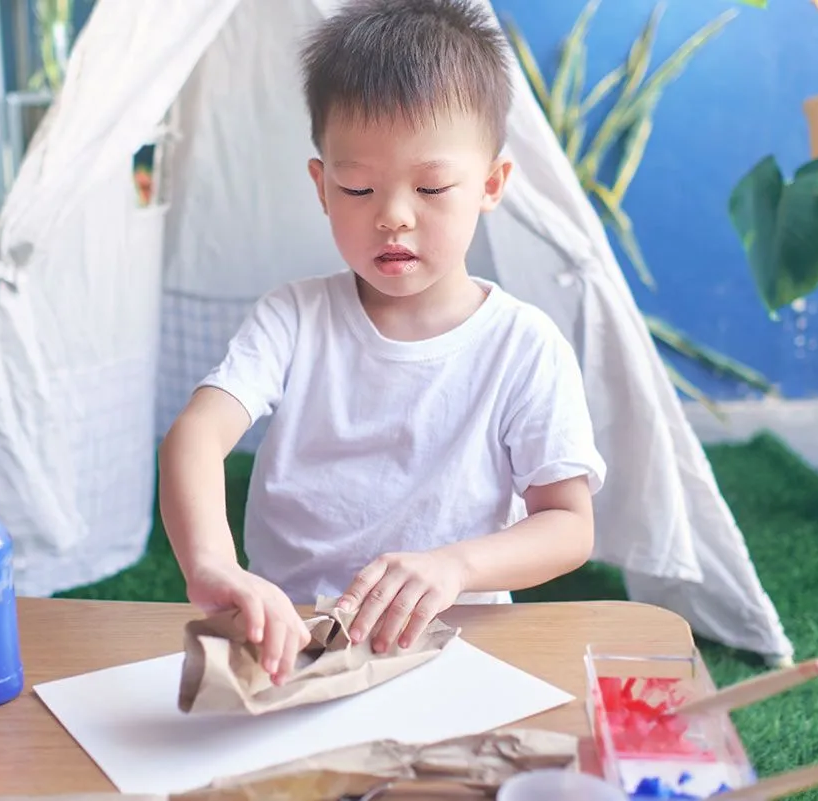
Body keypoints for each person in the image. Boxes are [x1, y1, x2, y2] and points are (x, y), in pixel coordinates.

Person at [158, 0, 607, 687]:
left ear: (490, 185)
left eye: (430, 187)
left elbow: (570, 526)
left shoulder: (524, 345)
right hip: (293, 642)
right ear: (322, 186)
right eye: (358, 186)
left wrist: (455, 565)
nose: (393, 216)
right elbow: (196, 434)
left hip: (453, 643)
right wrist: (214, 563)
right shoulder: (295, 317)